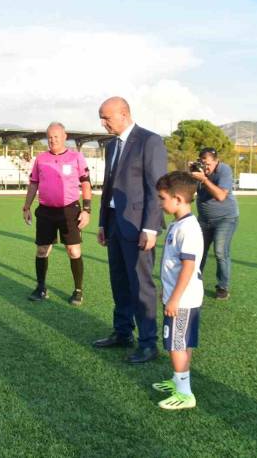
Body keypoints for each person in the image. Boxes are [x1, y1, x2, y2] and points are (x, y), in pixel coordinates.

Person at [93, 97, 168, 364]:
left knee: (141, 285)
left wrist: (150, 227)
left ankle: (148, 343)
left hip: (138, 227)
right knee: (119, 281)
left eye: (107, 117)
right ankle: (123, 332)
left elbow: (156, 188)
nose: (103, 123)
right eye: (101, 117)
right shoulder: (111, 145)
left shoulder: (150, 141)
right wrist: (103, 222)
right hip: (114, 223)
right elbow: (108, 185)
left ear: (124, 114)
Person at [22, 122, 92, 306]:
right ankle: (41, 287)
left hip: (69, 210)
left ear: (64, 136)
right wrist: (26, 206)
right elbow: (33, 184)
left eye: (56, 136)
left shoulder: (76, 157)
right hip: (45, 211)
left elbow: (85, 183)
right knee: (42, 250)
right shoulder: (41, 159)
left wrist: (87, 210)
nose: (53, 140)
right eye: (50, 137)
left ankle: (78, 290)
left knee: (73, 250)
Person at [153, 171, 203, 410]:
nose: (160, 203)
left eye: (162, 198)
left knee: (175, 344)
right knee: (183, 341)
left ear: (178, 199)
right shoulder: (179, 223)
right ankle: (178, 380)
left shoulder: (188, 229)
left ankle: (185, 394)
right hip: (179, 297)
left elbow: (188, 267)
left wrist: (174, 299)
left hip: (182, 300)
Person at [189, 147, 239, 300]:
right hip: (204, 220)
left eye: (208, 164)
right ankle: (193, 282)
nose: (205, 167)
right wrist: (191, 175)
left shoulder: (224, 170)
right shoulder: (200, 172)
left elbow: (221, 196)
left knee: (220, 252)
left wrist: (204, 179)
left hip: (226, 218)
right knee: (198, 251)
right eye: (202, 163)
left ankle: (222, 287)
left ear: (216, 161)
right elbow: (189, 193)